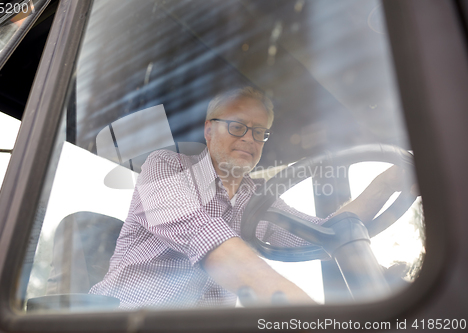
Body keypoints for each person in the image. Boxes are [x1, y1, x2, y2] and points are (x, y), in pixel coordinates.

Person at [90, 87, 409, 309]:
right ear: (209, 131)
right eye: (238, 126)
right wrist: (312, 315)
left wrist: (386, 183)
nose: (250, 138)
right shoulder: (166, 166)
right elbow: (203, 235)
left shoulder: (257, 197)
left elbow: (325, 232)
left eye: (260, 132)